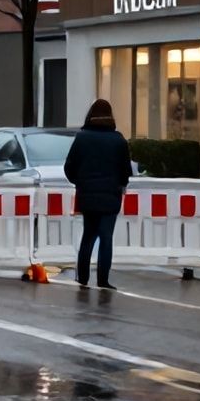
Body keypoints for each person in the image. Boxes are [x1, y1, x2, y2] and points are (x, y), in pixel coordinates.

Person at [64, 98, 132, 290]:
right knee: (106, 238)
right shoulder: (118, 140)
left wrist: (80, 183)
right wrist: (120, 184)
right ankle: (103, 280)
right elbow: (125, 171)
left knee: (88, 236)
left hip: (87, 196)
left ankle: (83, 277)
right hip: (111, 196)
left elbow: (69, 167)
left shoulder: (82, 138)